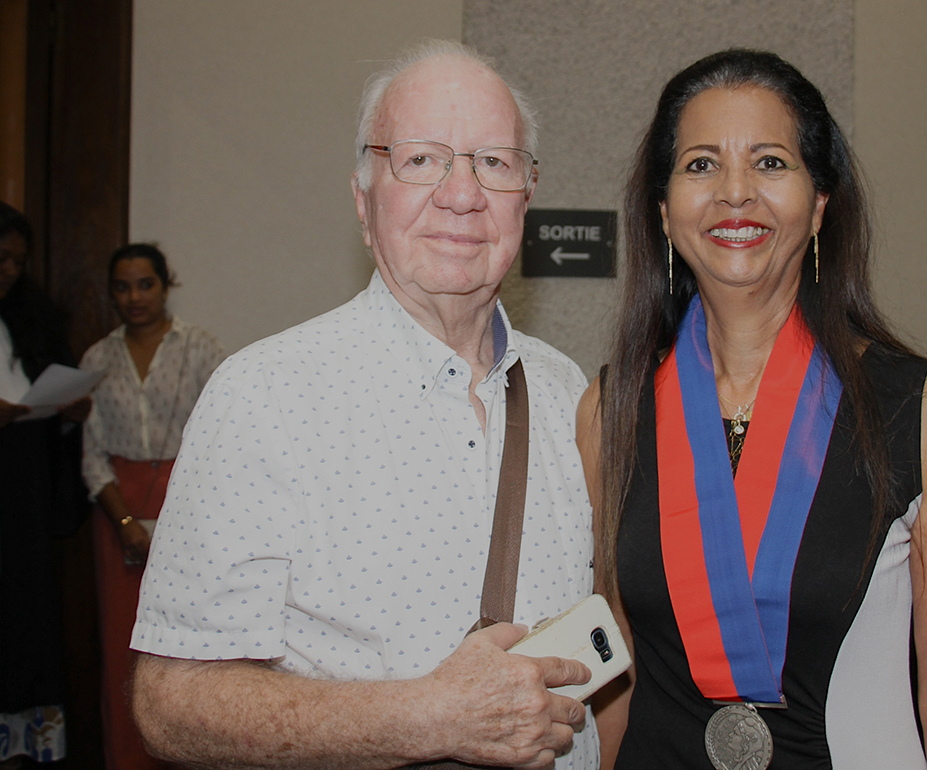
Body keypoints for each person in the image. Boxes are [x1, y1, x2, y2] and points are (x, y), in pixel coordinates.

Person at [128, 41, 597, 770]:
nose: (463, 192)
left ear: (527, 195)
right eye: (420, 159)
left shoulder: (573, 397)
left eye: (494, 162)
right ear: (362, 197)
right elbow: (170, 702)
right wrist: (427, 717)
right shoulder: (263, 397)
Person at [578, 50, 927, 769]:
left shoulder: (922, 412)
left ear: (819, 205)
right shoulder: (610, 409)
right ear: (663, 210)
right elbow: (612, 664)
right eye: (700, 165)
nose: (735, 193)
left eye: (771, 163)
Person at [79, 242, 224, 770]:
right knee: (123, 649)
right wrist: (123, 522)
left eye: (146, 284)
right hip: (116, 515)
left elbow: (218, 441)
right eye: (123, 286)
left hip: (186, 507)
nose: (134, 297)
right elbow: (92, 454)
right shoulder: (96, 358)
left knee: (184, 646)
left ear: (167, 285)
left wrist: (173, 519)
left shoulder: (201, 347)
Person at [0, 201, 90, 765]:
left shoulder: (31, 313)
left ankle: (24, 743)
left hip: (22, 484)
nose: (9, 269)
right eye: (1, 257)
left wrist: (67, 411)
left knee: (25, 610)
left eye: (17, 261)